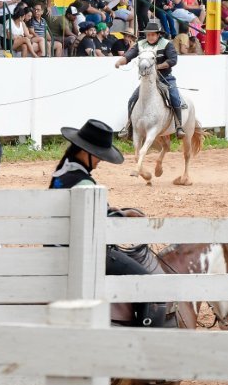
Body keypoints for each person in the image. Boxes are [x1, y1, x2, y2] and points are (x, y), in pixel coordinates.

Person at [47, 120, 167, 327]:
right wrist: (123, 218)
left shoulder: (62, 175)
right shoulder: (83, 182)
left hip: (59, 246)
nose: (100, 160)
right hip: (84, 252)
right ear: (85, 152)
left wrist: (119, 212)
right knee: (148, 283)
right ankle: (146, 330)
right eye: (99, 155)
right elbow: (98, 223)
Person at [116, 20, 184, 136]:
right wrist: (120, 62)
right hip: (148, 81)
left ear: (158, 35)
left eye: (153, 34)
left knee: (174, 97)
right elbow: (130, 54)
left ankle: (179, 126)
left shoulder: (166, 44)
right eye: (148, 35)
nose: (150, 37)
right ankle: (129, 127)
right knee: (132, 100)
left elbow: (173, 60)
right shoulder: (141, 44)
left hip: (165, 78)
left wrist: (157, 67)